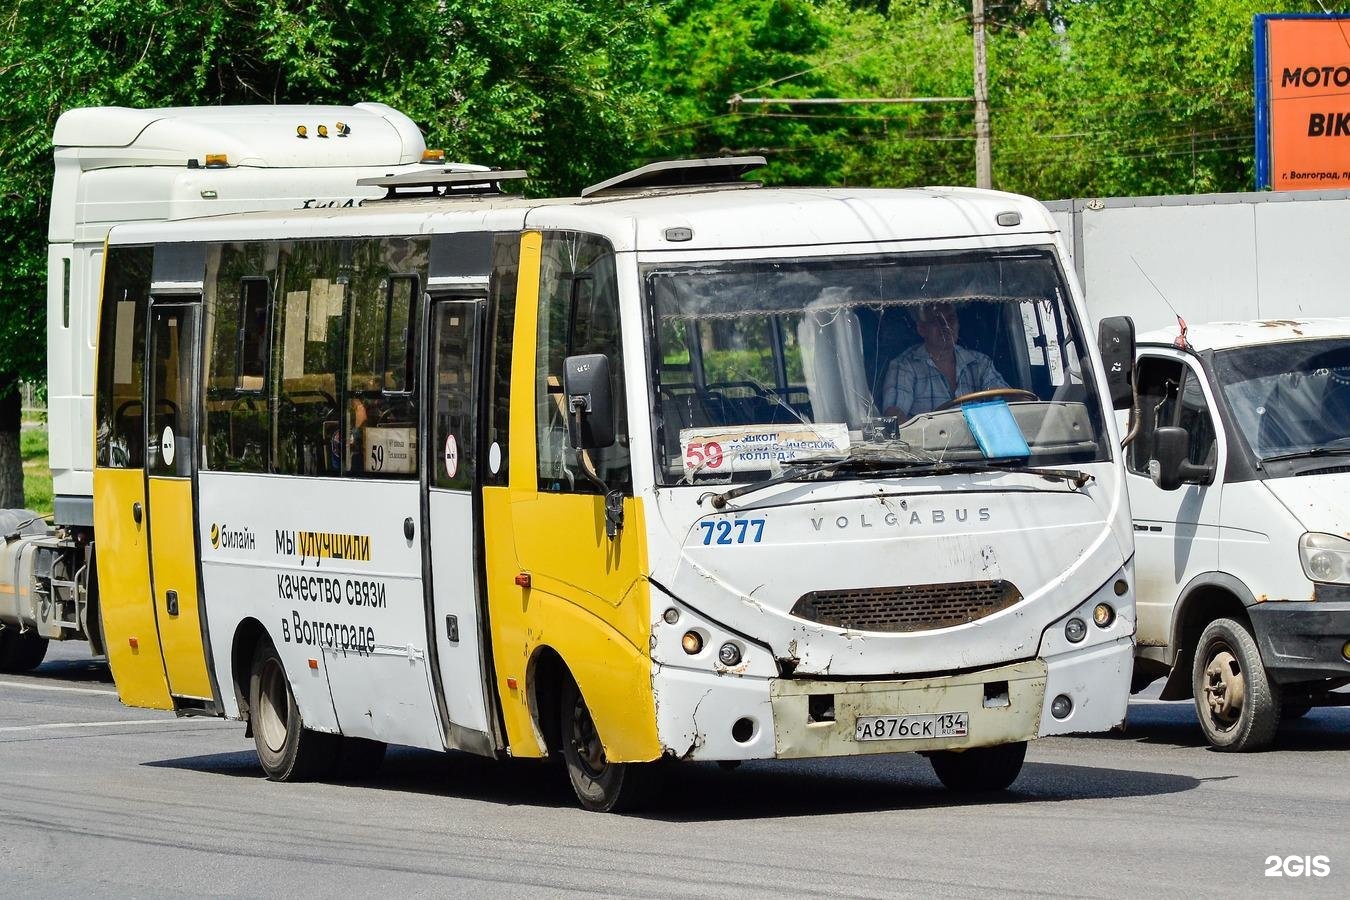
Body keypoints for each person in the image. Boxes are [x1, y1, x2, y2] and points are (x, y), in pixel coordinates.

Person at [878, 302, 1008, 418]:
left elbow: (1011, 400)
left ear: (958, 324)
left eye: (951, 319)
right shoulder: (904, 366)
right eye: (937, 321)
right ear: (922, 329)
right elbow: (894, 417)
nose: (946, 327)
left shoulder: (980, 363)